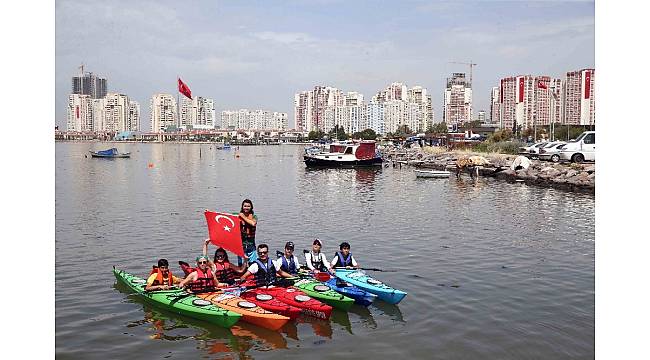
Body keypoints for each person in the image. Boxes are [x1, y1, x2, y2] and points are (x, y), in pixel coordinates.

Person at [237, 199, 258, 267]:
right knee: (241, 264)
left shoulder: (254, 217)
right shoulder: (237, 216)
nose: (246, 208)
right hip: (241, 245)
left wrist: (242, 216)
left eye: (248, 206)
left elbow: (253, 223)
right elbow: (226, 217)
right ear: (242, 207)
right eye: (245, 206)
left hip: (251, 244)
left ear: (251, 207)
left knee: (253, 264)